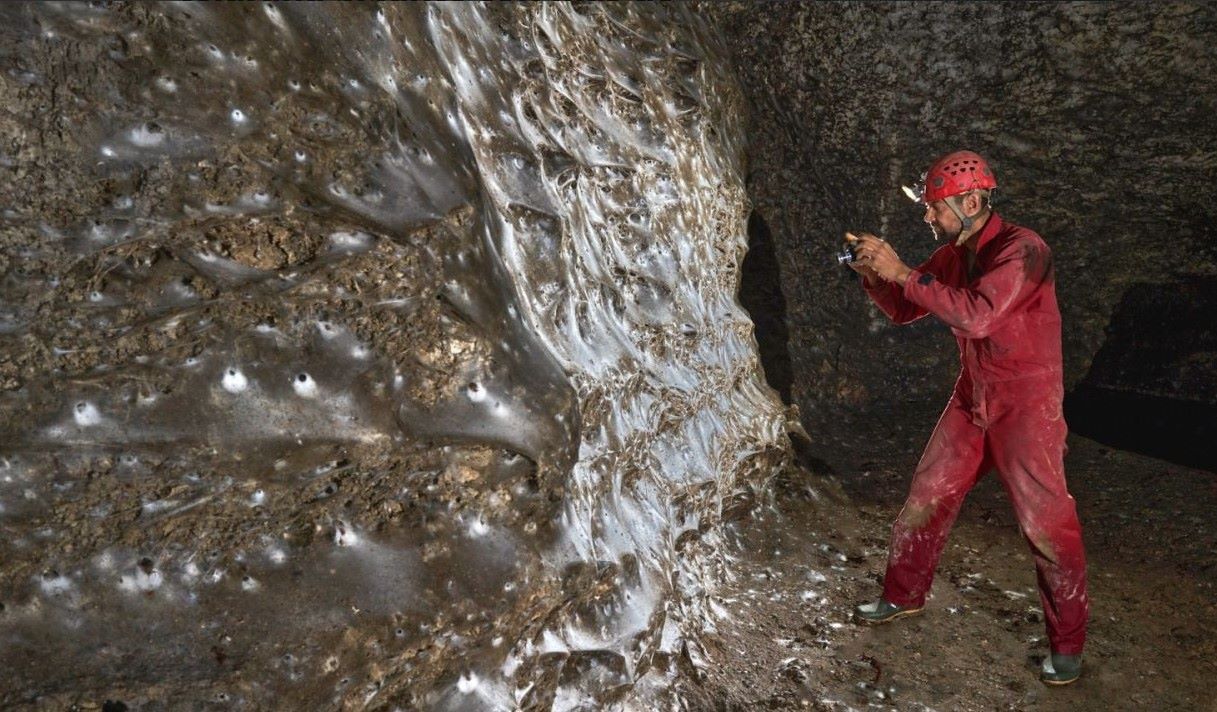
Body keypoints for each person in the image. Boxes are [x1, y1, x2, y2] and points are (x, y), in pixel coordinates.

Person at [845, 150, 1089, 686]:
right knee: (927, 492)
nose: (928, 218)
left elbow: (977, 317)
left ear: (972, 201)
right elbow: (906, 306)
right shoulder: (955, 253)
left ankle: (1067, 645)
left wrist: (902, 270)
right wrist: (874, 275)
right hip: (974, 394)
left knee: (1045, 524)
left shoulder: (1024, 250)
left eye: (935, 209)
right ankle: (902, 595)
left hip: (1027, 404)